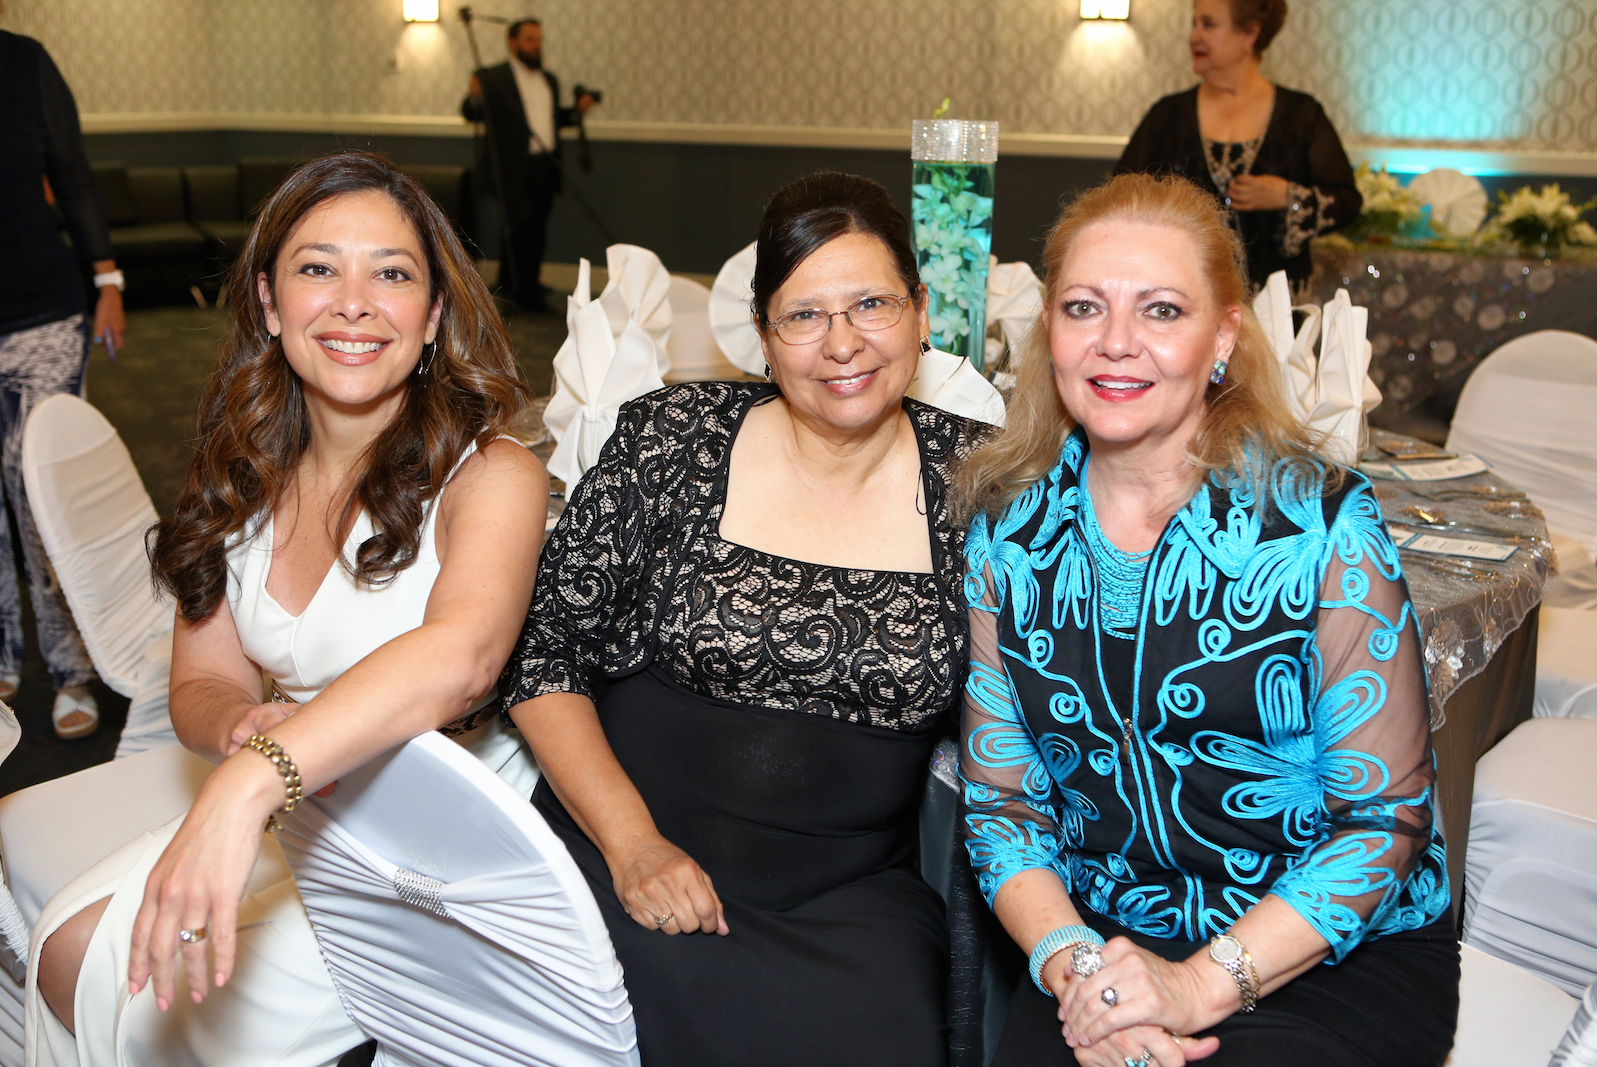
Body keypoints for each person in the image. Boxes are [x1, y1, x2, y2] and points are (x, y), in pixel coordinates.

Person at [26, 151, 547, 1066]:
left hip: (438, 848)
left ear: (431, 316)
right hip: (296, 803)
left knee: (129, 987)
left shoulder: (494, 473)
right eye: (318, 268)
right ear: (270, 304)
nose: (354, 302)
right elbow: (204, 675)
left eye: (392, 273)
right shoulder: (239, 465)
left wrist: (253, 777)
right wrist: (242, 725)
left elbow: (462, 653)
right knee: (69, 949)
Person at [953, 172, 1456, 1067]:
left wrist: (1194, 986)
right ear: (1050, 332)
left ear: (1222, 335)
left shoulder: (1318, 525)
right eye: (1082, 307)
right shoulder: (1009, 536)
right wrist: (1083, 975)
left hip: (1325, 950)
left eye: (1160, 311)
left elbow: (1383, 822)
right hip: (1102, 939)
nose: (1115, 344)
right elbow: (1003, 806)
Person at [501, 171, 984, 1067]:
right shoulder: (673, 437)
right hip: (625, 846)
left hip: (848, 897)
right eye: (803, 315)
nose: (842, 343)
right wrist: (634, 843)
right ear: (763, 336)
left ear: (921, 314)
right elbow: (544, 656)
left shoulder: (982, 487)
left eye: (872, 303)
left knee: (890, 1036)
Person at [0, 28, 123, 739]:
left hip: (42, 311)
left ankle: (71, 663)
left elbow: (72, 171)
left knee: (33, 486)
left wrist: (106, 277)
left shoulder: (23, 63)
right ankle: (6, 647)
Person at [1115, 0, 1359, 296]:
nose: (1193, 36)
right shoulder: (1167, 116)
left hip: (1278, 312)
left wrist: (1288, 197)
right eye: (1194, 23)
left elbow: (1347, 201)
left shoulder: (1301, 115)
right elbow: (1121, 197)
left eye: (1208, 24)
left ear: (1249, 34)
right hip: (1185, 301)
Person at [462, 17, 596, 312]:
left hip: (544, 166)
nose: (537, 46)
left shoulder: (548, 79)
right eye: (530, 40)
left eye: (539, 39)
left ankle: (529, 282)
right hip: (511, 169)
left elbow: (552, 121)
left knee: (537, 227)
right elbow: (471, 113)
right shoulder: (493, 77)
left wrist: (576, 112)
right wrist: (474, 95)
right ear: (513, 43)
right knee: (516, 228)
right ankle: (517, 289)